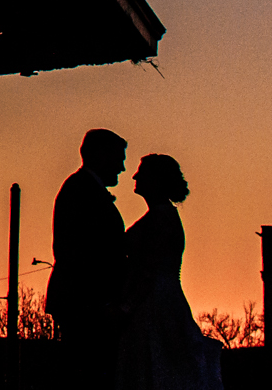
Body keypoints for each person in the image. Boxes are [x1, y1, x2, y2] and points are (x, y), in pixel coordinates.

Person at [114, 154, 224, 390]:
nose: (134, 176)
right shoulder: (161, 217)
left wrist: (126, 307)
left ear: (156, 179)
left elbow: (149, 270)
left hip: (155, 302)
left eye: (141, 172)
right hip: (161, 299)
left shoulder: (160, 219)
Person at [48, 129, 128, 389]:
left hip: (85, 303)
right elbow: (79, 253)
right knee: (90, 375)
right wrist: (103, 302)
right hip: (86, 305)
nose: (123, 168)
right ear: (100, 156)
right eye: (118, 159)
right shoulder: (81, 191)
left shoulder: (82, 189)